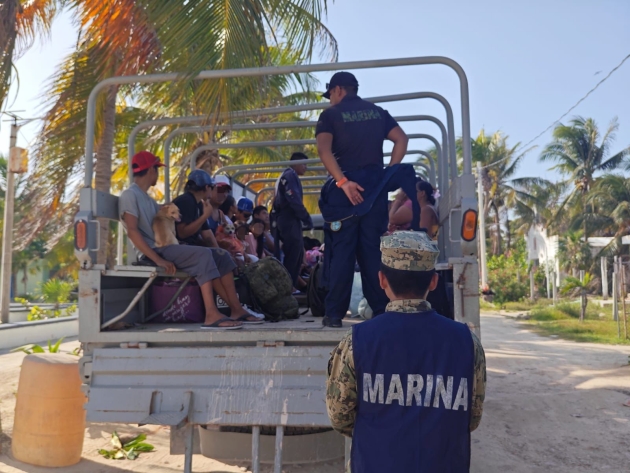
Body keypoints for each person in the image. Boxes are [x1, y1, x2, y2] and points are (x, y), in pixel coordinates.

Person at [326, 231, 486, 472]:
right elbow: (471, 418)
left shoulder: (355, 342)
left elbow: (340, 418)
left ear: (381, 280)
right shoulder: (467, 342)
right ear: (433, 281)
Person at [119, 152, 261, 329]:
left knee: (221, 256)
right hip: (154, 251)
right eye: (157, 169)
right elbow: (132, 232)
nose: (157, 174)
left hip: (166, 248)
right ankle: (211, 314)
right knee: (202, 255)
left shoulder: (147, 198)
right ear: (150, 171)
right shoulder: (130, 195)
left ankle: (236, 309)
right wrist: (158, 260)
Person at [316, 71, 411, 327]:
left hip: (343, 191)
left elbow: (324, 150)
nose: (330, 100)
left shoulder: (330, 115)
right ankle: (380, 312)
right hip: (373, 190)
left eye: (330, 95)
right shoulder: (378, 112)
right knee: (371, 254)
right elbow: (401, 139)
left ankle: (334, 315)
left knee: (341, 254)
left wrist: (343, 182)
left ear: (337, 90)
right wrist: (387, 174)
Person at [271, 152, 313, 288]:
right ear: (296, 163)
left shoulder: (287, 176)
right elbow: (294, 200)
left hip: (287, 219)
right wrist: (306, 218)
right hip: (288, 219)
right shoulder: (290, 175)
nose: (306, 167)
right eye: (304, 164)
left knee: (295, 255)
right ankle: (287, 288)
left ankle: (289, 287)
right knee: (293, 256)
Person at [173, 170, 218, 247]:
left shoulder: (199, 204)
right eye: (212, 187)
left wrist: (219, 251)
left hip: (190, 247)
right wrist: (205, 216)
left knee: (224, 255)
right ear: (207, 187)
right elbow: (182, 234)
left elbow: (207, 235)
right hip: (179, 247)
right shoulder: (186, 201)